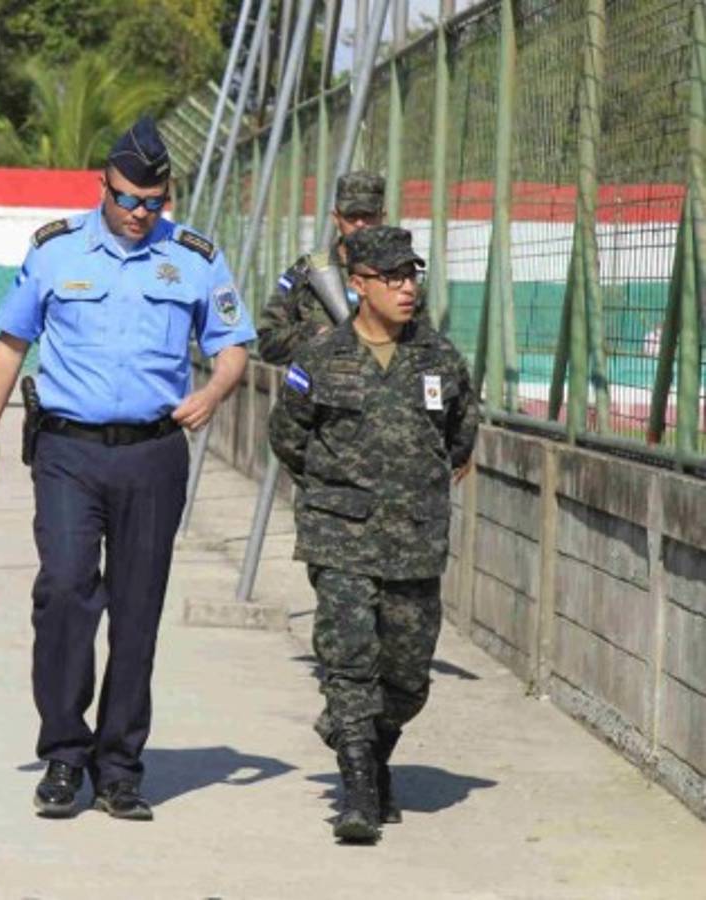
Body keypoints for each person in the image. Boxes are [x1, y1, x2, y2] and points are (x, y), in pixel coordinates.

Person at [0, 116, 255, 821]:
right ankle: (64, 756)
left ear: (169, 195)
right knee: (65, 592)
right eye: (127, 198)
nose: (138, 214)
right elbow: (9, 346)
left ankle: (120, 768)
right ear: (103, 186)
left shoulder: (193, 257)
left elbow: (233, 347)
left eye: (153, 202)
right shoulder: (54, 250)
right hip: (67, 450)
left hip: (154, 454)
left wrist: (212, 392)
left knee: (136, 611)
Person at [268, 226, 478, 842]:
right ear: (358, 286)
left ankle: (364, 744)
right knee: (350, 660)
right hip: (341, 535)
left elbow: (460, 434)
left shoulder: (439, 359)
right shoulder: (321, 359)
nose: (407, 288)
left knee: (407, 678)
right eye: (392, 278)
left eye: (412, 276)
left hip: (414, 538)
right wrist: (337, 495)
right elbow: (290, 437)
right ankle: (358, 792)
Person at [256, 171, 386, 365]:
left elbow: (422, 341)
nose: (360, 224)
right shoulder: (307, 272)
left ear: (382, 217)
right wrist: (313, 334)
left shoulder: (400, 274)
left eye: (368, 216)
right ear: (336, 218)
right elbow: (267, 344)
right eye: (351, 216)